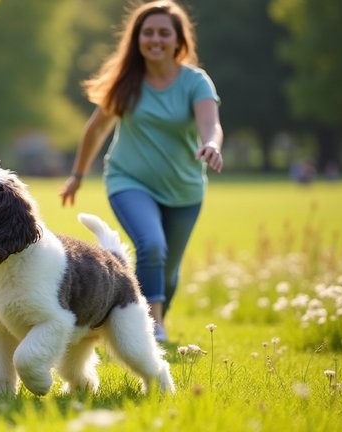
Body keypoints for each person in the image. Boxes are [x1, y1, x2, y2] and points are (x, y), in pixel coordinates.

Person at [59, 0, 224, 342]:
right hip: (129, 181)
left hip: (185, 189)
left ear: (178, 40)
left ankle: (144, 316)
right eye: (148, 33)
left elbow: (212, 125)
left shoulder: (196, 82)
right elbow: (95, 130)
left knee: (169, 271)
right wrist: (77, 175)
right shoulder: (126, 82)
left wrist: (212, 145)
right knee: (151, 245)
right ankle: (153, 327)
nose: (155, 39)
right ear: (137, 39)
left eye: (164, 33)